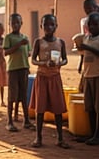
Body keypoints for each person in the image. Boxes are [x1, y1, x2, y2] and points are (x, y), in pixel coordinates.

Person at [29, 14, 70, 149]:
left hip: (55, 78)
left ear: (56, 26)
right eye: (45, 25)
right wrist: (44, 63)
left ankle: (59, 138)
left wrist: (58, 63)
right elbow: (33, 60)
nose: (48, 27)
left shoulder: (60, 42)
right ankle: (38, 137)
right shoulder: (38, 42)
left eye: (51, 24)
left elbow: (65, 59)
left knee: (58, 109)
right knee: (40, 110)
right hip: (41, 77)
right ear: (41, 26)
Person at [77, 12, 99, 146]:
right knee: (90, 106)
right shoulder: (86, 38)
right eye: (90, 24)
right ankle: (92, 133)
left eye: (95, 24)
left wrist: (87, 48)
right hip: (88, 76)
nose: (92, 27)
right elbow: (83, 54)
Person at [3, 13, 35, 132]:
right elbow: (6, 52)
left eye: (17, 22)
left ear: (21, 23)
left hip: (24, 69)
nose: (15, 25)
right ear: (10, 24)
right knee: (12, 95)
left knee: (23, 95)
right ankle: (9, 122)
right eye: (13, 23)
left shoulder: (25, 38)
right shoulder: (9, 37)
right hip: (13, 70)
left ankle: (26, 120)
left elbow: (28, 53)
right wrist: (18, 45)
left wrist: (28, 52)